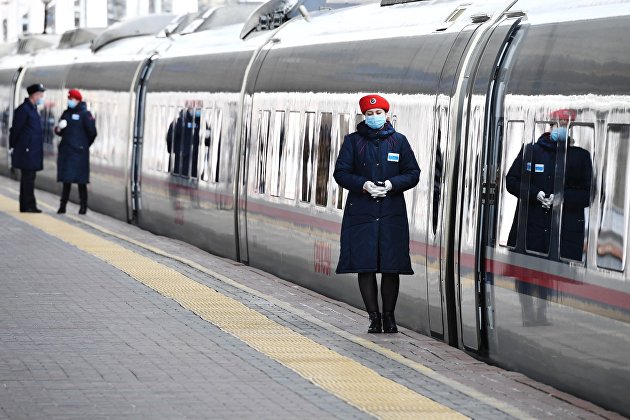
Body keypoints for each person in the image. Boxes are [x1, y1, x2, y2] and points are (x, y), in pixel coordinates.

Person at [334, 94, 420, 333]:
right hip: (361, 213)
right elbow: (341, 173)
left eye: (378, 113)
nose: (374, 117)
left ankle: (390, 317)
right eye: (369, 114)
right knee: (366, 266)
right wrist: (364, 185)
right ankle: (374, 317)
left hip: (391, 213)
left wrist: (392, 184)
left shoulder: (399, 142)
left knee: (391, 266)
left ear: (387, 115)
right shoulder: (353, 142)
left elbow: (413, 173)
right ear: (364, 116)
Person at [506, 108, 592, 326]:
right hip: (530, 224)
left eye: (565, 125)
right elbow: (512, 181)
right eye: (558, 124)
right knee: (526, 271)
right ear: (550, 125)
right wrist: (536, 194)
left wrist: (562, 198)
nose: (561, 129)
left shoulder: (580, 157)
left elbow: (588, 194)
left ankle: (542, 313)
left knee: (547, 273)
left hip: (559, 228)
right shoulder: (531, 151)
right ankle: (528, 313)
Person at [54, 89, 97, 215]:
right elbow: (58, 131)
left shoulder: (85, 115)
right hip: (67, 152)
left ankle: (83, 206)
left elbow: (92, 133)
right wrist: (58, 129)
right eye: (69, 99)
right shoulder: (66, 113)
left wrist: (83, 146)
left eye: (71, 99)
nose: (69, 101)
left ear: (77, 100)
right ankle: (63, 206)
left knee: (81, 181)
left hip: (79, 154)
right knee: (66, 180)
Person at [9, 83, 46, 213]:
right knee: (27, 179)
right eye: (40, 94)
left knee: (30, 179)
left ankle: (29, 205)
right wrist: (13, 146)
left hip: (32, 151)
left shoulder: (32, 109)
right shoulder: (24, 110)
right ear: (34, 95)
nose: (41, 97)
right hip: (27, 151)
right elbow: (16, 130)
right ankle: (27, 205)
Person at [166, 108, 208, 178]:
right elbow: (170, 139)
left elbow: (169, 140)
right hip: (183, 163)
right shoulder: (179, 122)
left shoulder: (178, 122)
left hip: (189, 163)